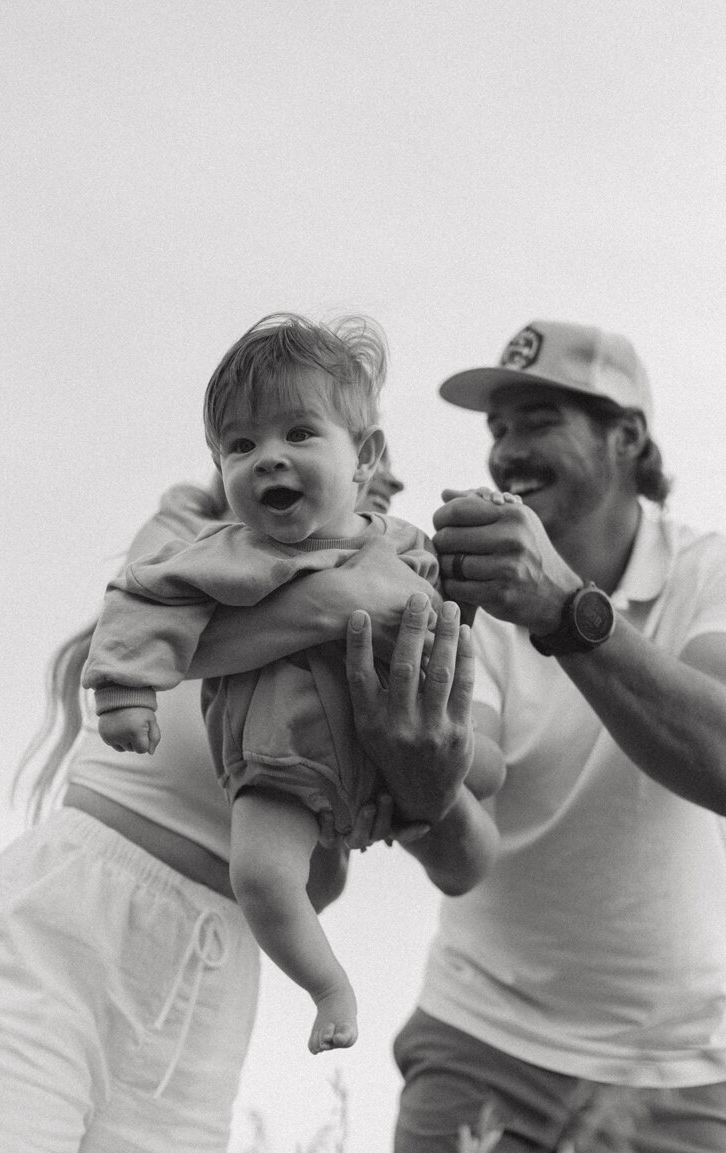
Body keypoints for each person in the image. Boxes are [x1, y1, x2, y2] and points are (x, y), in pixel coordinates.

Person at [0, 423, 498, 1153]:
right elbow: (139, 647)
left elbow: (473, 820)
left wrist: (423, 768)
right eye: (261, 442)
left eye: (385, 483)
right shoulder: (198, 539)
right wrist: (338, 600)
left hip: (211, 979)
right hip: (68, 924)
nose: (377, 495)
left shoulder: (414, 594)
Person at [82, 312, 505, 1056]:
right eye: (240, 446)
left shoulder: (400, 544)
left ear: (365, 458)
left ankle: (339, 872)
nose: (267, 459)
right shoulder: (231, 553)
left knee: (489, 767)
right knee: (267, 879)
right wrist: (124, 690)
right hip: (282, 771)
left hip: (378, 763)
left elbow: (451, 585)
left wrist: (486, 519)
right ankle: (329, 985)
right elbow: (146, 598)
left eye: (297, 434)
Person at [380, 320, 726, 1153]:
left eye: (537, 420)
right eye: (497, 429)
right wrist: (425, 783)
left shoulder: (707, 573)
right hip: (484, 1029)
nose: (507, 451)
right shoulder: (475, 594)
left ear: (628, 436)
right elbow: (467, 819)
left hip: (684, 1060)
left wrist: (562, 608)